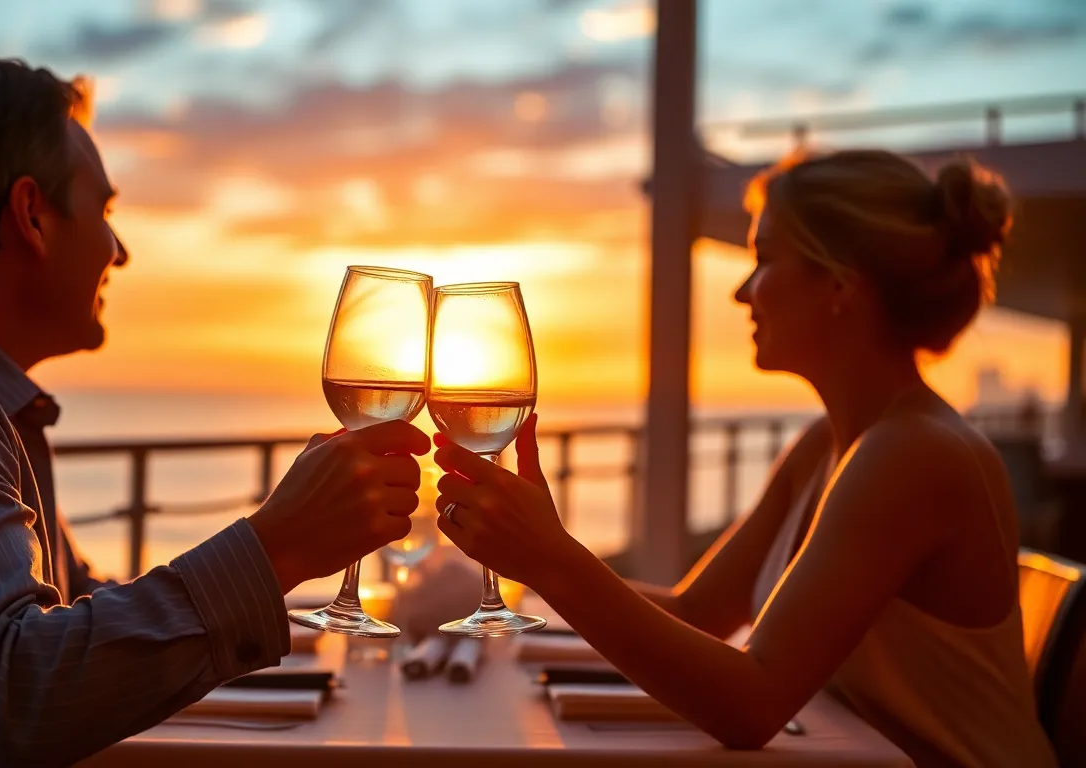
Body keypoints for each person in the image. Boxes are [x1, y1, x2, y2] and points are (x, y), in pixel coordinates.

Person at [0, 58, 429, 765]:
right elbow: (20, 691)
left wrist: (276, 587)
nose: (119, 250)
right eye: (104, 210)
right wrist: (276, 547)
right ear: (32, 216)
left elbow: (66, 615)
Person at [433, 149, 1058, 766]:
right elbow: (696, 613)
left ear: (840, 283)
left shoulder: (915, 455)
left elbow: (752, 704)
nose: (741, 290)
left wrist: (552, 560)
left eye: (763, 259)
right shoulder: (831, 443)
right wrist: (521, 583)